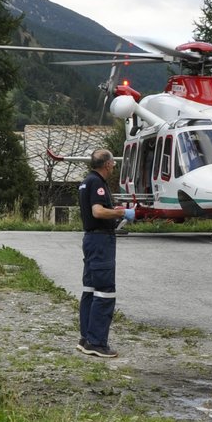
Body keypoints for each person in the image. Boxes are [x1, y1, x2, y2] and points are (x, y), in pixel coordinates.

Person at [77, 148, 133, 359]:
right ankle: (97, 342)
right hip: (101, 240)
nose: (113, 168)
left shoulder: (86, 181)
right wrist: (121, 212)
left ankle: (86, 338)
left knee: (90, 289)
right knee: (104, 291)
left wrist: (115, 210)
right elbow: (98, 211)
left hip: (91, 239)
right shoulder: (97, 183)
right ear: (108, 164)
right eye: (113, 164)